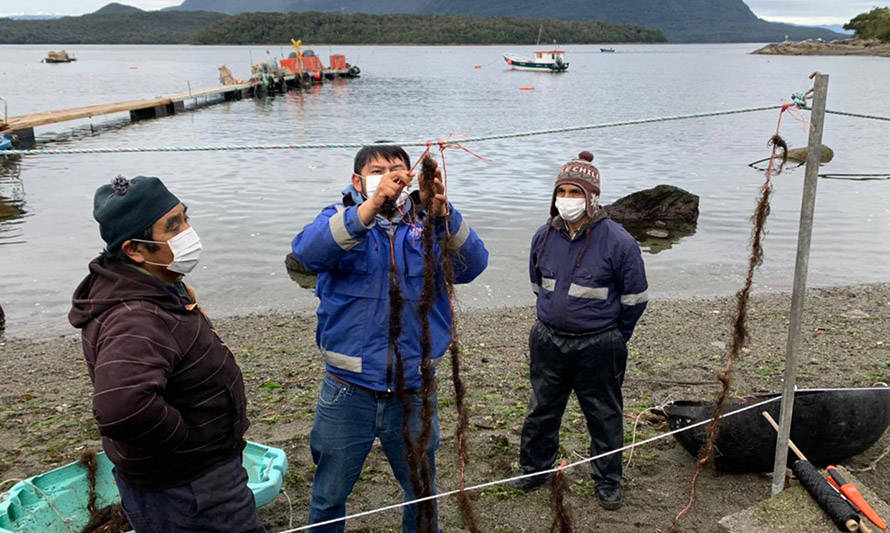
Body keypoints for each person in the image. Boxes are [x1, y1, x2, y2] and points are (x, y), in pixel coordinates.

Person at [291, 145, 488, 532]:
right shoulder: (339, 218)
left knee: (421, 489)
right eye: (377, 171)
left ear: (410, 176)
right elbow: (305, 254)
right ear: (357, 181)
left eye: (396, 169)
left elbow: (473, 266)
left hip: (414, 390)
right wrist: (370, 207)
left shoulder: (427, 221)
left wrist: (444, 213)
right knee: (329, 493)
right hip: (348, 390)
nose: (388, 176)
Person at [69, 176, 263, 533]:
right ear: (134, 250)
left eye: (185, 217)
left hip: (198, 479)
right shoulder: (136, 317)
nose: (188, 231)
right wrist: (187, 442)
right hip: (188, 489)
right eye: (173, 226)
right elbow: (122, 408)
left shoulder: (155, 283)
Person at [508, 151, 648, 510]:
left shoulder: (619, 242)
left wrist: (615, 337)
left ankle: (607, 481)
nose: (567, 200)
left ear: (593, 197)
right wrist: (554, 317)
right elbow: (538, 285)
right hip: (548, 341)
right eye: (563, 191)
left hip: (599, 345)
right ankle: (535, 470)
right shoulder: (543, 236)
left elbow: (635, 299)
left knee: (603, 415)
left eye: (576, 193)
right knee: (542, 409)